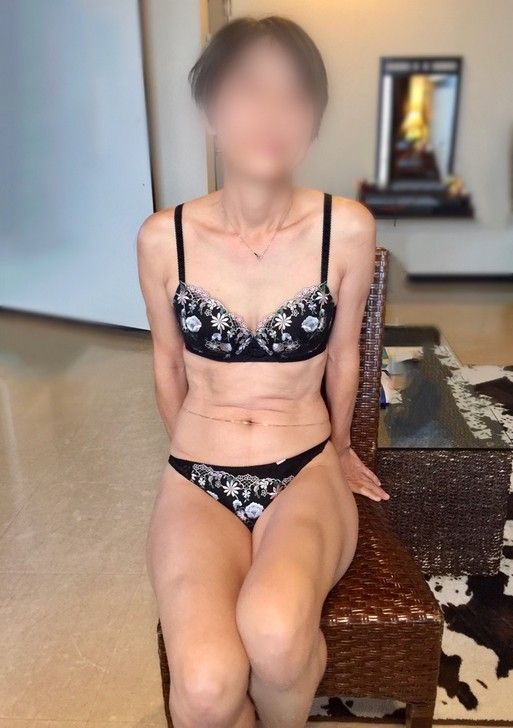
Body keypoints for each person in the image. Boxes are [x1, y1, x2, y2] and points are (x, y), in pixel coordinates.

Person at [138, 16, 389, 728]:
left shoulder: (345, 228)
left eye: (293, 94)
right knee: (206, 685)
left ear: (314, 120)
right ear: (211, 112)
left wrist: (340, 447)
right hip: (198, 473)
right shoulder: (163, 238)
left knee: (276, 636)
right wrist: (190, 452)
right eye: (248, 90)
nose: (271, 112)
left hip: (303, 465)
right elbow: (166, 359)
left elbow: (342, 353)